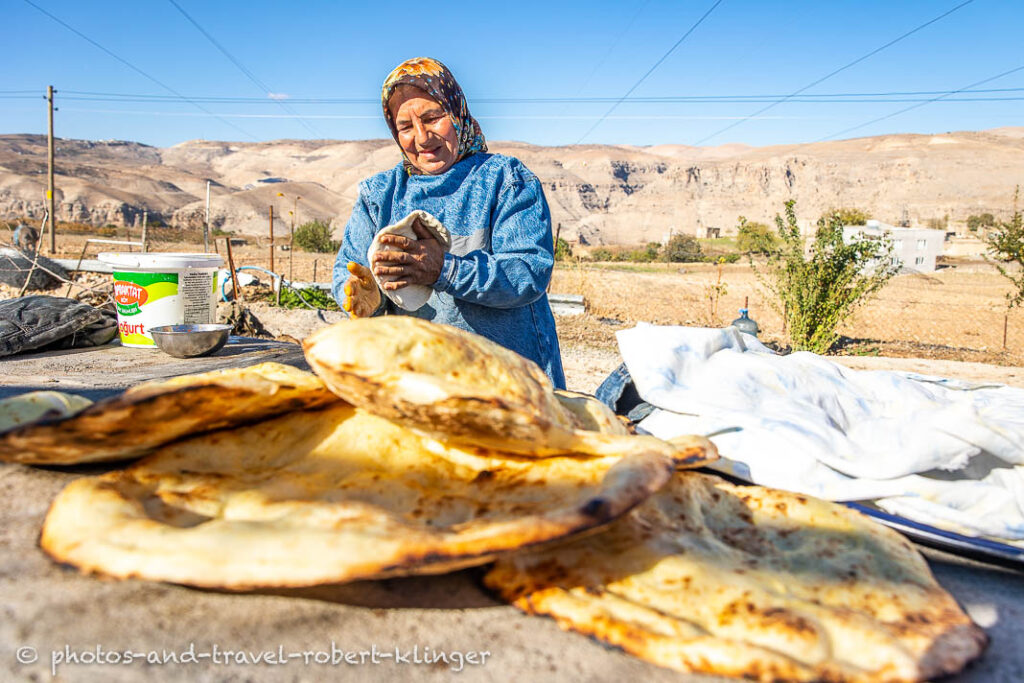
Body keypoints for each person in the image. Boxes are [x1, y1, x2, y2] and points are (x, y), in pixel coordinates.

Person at [332, 57, 566, 389]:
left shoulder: (505, 180)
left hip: (512, 383)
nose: (422, 137)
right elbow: (348, 268)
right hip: (424, 384)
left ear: (456, 113)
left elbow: (529, 272)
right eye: (405, 127)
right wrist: (362, 295)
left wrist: (446, 270)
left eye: (432, 118)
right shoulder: (379, 195)